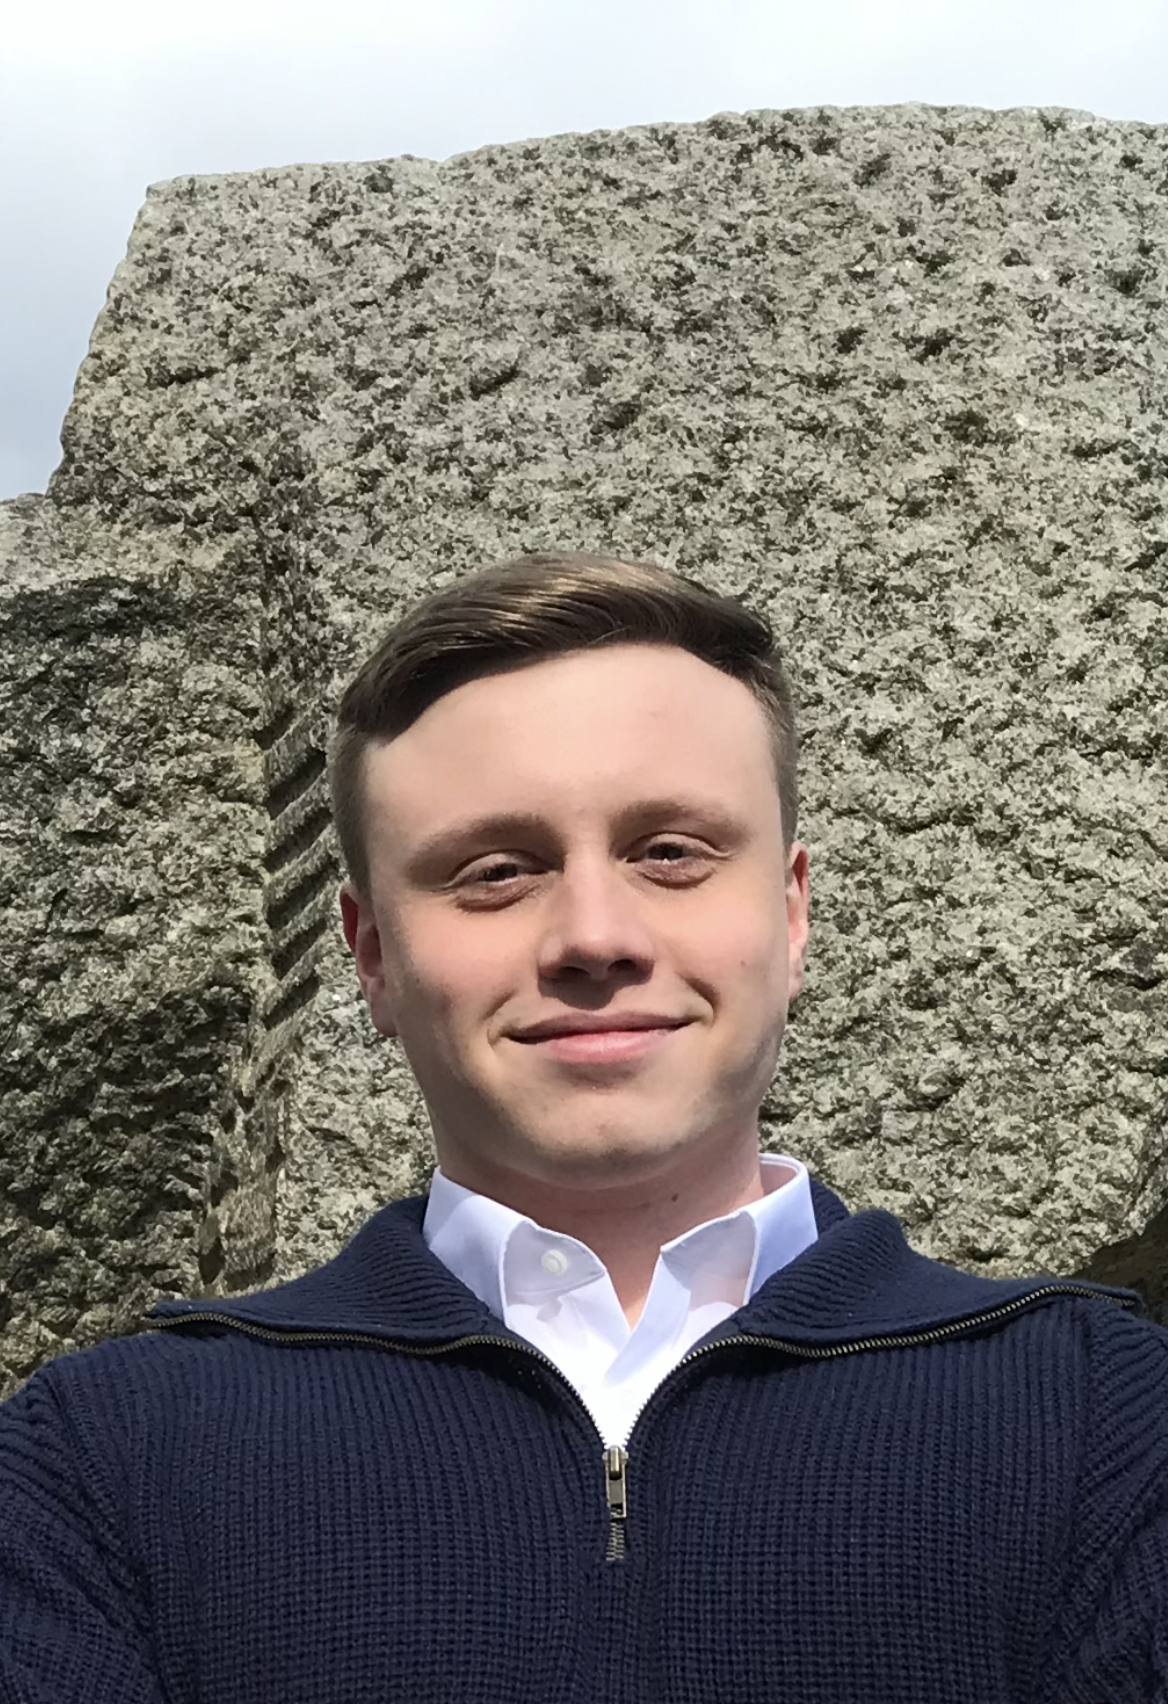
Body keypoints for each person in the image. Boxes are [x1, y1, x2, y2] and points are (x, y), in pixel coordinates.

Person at [1, 550, 1165, 1704]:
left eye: (670, 853)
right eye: (495, 872)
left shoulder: (1105, 1418)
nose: (594, 937)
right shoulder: (101, 1459)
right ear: (373, 958)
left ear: (790, 914)